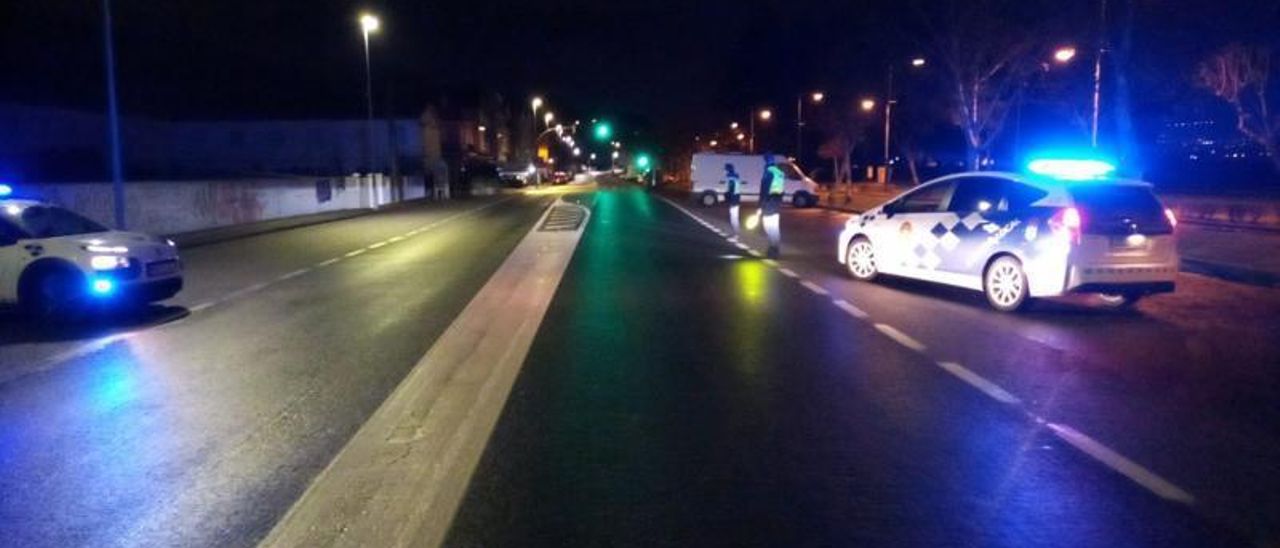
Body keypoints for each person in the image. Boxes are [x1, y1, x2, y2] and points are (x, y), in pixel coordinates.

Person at [759, 154, 786, 258]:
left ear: (765, 161)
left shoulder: (768, 172)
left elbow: (764, 190)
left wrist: (760, 206)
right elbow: (782, 189)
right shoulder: (780, 173)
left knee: (768, 227)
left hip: (769, 203)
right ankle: (776, 249)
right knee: (775, 228)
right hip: (777, 202)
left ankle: (773, 249)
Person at [723, 163, 743, 239]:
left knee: (734, 217)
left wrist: (727, 197)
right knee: (734, 217)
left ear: (728, 169)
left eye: (725, 169)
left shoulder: (731, 177)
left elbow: (731, 189)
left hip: (733, 199)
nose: (724, 170)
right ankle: (734, 233)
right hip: (736, 198)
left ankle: (736, 234)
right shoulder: (735, 176)